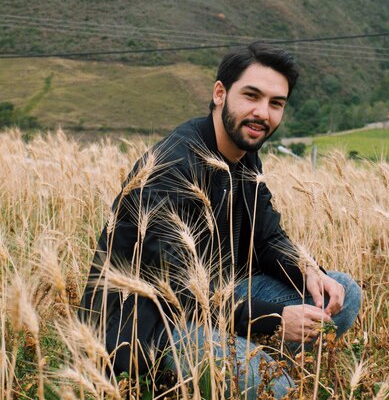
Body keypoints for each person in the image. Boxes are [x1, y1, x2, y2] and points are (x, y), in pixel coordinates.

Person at [80, 42, 360, 398]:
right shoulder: (172, 167)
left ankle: (239, 362)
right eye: (251, 96)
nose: (263, 113)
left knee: (342, 293)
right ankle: (218, 374)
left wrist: (308, 269)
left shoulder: (245, 155)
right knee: (273, 386)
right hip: (153, 318)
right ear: (219, 93)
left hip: (222, 296)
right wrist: (275, 319)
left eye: (276, 104)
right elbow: (181, 292)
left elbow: (268, 237)